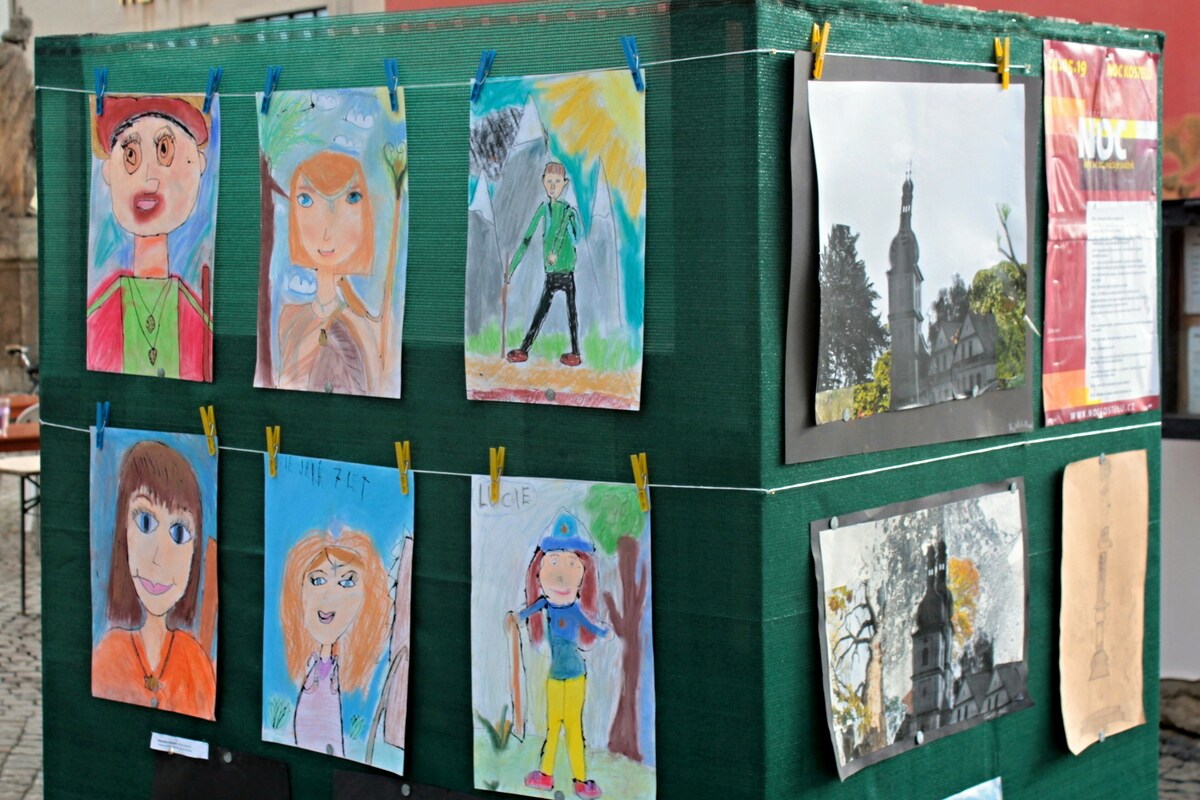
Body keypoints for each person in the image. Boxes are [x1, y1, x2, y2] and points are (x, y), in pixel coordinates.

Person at [86, 95, 214, 381]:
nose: (148, 178)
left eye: (164, 150)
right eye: (130, 155)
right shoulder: (98, 319)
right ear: (108, 172)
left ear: (199, 164)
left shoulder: (198, 323)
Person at [91, 441, 216, 719]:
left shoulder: (195, 664)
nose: (159, 558)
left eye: (179, 533)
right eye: (145, 522)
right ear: (123, 532)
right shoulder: (108, 657)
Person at [507, 511, 609, 800]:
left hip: (575, 677)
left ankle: (581, 780)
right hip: (555, 677)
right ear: (539, 572)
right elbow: (526, 613)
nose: (561, 575)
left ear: (583, 575)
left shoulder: (574, 609)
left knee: (573, 727)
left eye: (571, 565)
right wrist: (515, 618)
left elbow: (591, 626)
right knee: (554, 727)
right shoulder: (546, 604)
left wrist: (603, 632)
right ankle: (545, 774)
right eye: (553, 563)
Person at [274, 151, 385, 395]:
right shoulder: (289, 318)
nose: (327, 231)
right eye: (305, 200)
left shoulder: (362, 327)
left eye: (351, 198)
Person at [280, 530, 390, 757]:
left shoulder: (360, 681)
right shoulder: (308, 668)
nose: (329, 596)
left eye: (347, 582)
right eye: (318, 580)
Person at [505, 162, 583, 367]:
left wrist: (571, 221)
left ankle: (576, 353)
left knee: (572, 312)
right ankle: (524, 349)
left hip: (567, 271)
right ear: (543, 182)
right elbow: (527, 238)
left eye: (557, 182)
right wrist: (512, 267)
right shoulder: (544, 209)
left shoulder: (568, 210)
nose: (553, 186)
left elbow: (577, 239)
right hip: (551, 273)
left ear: (564, 183)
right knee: (541, 312)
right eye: (549, 181)